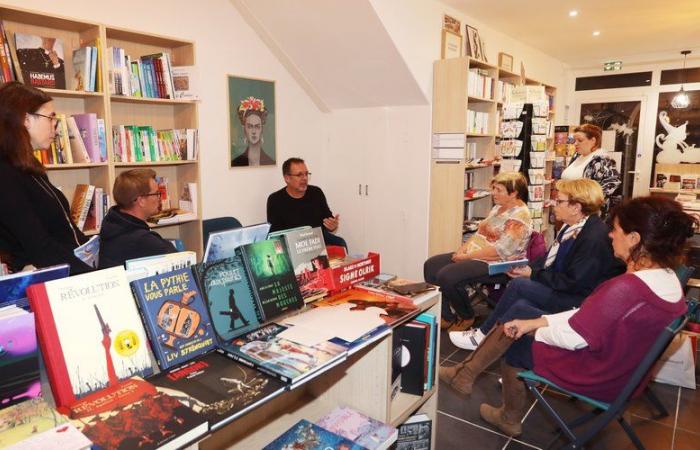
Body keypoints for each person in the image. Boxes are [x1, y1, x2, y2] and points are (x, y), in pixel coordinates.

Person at [439, 196, 693, 437]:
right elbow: (589, 317)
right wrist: (536, 321)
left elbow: (574, 337)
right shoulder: (669, 280)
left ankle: (507, 415)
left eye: (616, 230)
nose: (610, 235)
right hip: (625, 372)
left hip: (597, 375)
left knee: (515, 337)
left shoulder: (625, 289)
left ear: (634, 238)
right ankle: (465, 374)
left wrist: (530, 329)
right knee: (522, 316)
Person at [450, 179, 625, 350]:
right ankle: (500, 348)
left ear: (576, 207)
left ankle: (482, 334)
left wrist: (532, 274)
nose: (555, 205)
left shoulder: (592, 238)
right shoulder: (573, 227)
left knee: (519, 286)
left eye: (560, 201)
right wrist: (527, 268)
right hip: (568, 289)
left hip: (579, 299)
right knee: (521, 299)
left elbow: (573, 282)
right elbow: (549, 258)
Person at [0, 82, 91, 274]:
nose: (55, 128)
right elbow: (39, 246)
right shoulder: (5, 173)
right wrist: (96, 274)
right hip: (47, 280)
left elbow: (64, 230)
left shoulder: (30, 166)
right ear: (25, 120)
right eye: (50, 119)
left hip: (68, 269)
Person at [423, 172, 532, 332]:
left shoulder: (520, 217)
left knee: (447, 276)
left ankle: (466, 316)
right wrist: (462, 250)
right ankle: (446, 316)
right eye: (493, 188)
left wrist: (466, 257)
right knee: (431, 265)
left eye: (499, 190)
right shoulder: (498, 208)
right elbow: (479, 234)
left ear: (514, 193)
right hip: (478, 254)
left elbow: (499, 251)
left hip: (499, 264)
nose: (493, 193)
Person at [99, 168, 176, 268]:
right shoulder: (143, 240)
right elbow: (180, 262)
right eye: (156, 193)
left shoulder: (112, 223)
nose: (159, 198)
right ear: (141, 201)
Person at [267, 157, 347, 248]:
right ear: (287, 178)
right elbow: (275, 235)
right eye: (299, 175)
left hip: (317, 241)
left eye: (306, 174)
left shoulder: (316, 192)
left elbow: (327, 221)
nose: (304, 178)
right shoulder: (275, 200)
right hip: (292, 245)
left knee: (340, 243)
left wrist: (332, 226)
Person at [560, 123, 622, 218]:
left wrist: (583, 201)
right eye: (574, 140)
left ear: (593, 140)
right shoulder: (577, 156)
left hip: (585, 214)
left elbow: (610, 185)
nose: (575, 143)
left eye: (580, 140)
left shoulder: (601, 160)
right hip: (570, 210)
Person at [231, 96, 274, 166]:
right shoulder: (236, 162)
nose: (254, 131)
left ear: (262, 129)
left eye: (257, 126)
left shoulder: (270, 161)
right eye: (250, 126)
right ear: (244, 129)